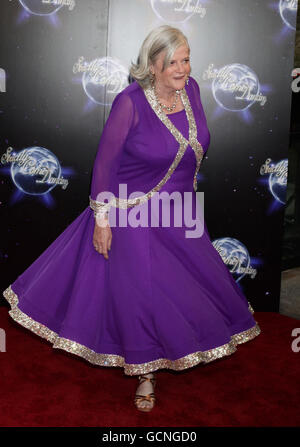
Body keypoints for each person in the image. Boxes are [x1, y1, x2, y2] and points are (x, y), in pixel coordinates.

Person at [3, 25, 261, 413]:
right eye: (171, 62)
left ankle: (174, 350)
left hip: (180, 214)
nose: (182, 69)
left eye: (186, 59)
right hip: (133, 216)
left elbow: (194, 152)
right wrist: (102, 220)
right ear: (152, 66)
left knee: (183, 292)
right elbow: (104, 164)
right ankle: (145, 374)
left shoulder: (191, 92)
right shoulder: (130, 103)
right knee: (142, 296)